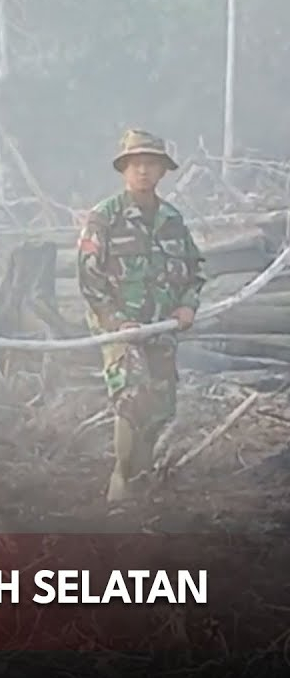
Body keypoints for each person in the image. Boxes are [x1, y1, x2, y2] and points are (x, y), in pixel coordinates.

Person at [77, 129, 205, 505]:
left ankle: (143, 478)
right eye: (136, 164)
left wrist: (187, 305)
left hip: (162, 326)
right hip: (119, 330)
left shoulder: (172, 219)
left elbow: (194, 269)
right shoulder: (104, 217)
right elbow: (88, 278)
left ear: (163, 171)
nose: (143, 171)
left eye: (151, 164)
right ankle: (121, 476)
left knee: (161, 404)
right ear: (124, 170)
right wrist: (116, 321)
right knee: (131, 397)